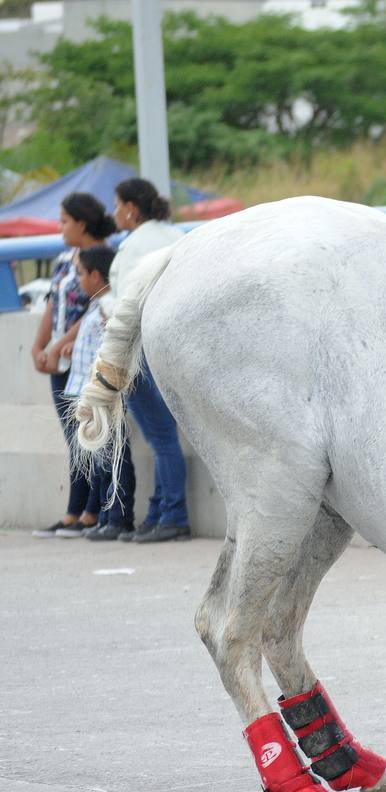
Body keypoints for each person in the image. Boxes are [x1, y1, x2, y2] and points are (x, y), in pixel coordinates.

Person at [29, 193, 117, 538]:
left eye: (64, 221)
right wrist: (40, 346)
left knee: (92, 436)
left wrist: (61, 343)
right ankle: (75, 510)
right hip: (60, 361)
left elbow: (97, 309)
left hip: (84, 357)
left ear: (81, 223)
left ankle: (93, 510)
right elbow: (53, 303)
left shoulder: (104, 258)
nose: (60, 227)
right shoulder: (66, 259)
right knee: (73, 439)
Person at [110, 177, 190, 542]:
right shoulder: (177, 236)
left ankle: (172, 515)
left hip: (139, 348)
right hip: (175, 345)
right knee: (164, 436)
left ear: (131, 208)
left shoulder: (132, 247)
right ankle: (159, 513)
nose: (114, 213)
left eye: (117, 205)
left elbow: (124, 304)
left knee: (161, 438)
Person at [64, 245, 137, 541]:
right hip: (88, 392)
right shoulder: (96, 305)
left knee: (113, 457)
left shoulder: (110, 306)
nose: (79, 280)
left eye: (81, 274)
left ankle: (119, 518)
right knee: (100, 461)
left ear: (96, 275)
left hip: (105, 395)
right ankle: (106, 517)